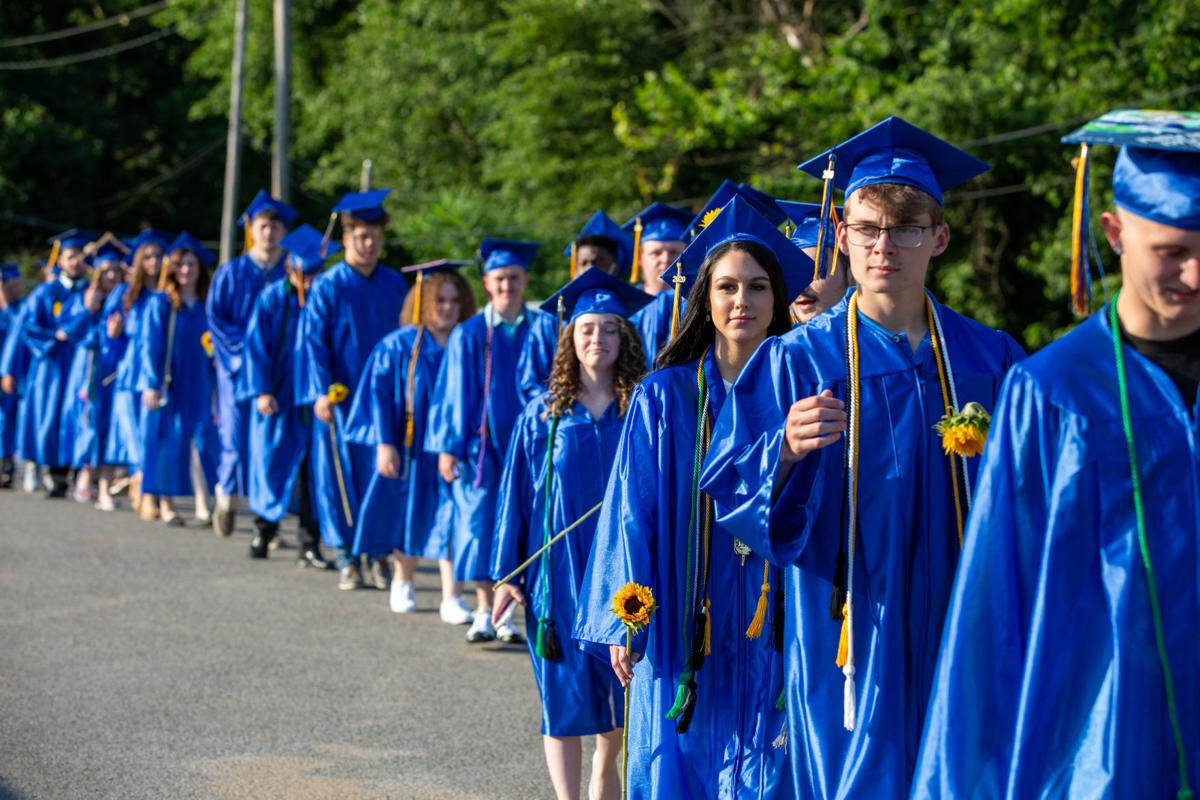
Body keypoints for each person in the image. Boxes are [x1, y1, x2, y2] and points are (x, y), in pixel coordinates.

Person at [698, 117, 1026, 799]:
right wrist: (783, 448)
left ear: (938, 237)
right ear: (841, 236)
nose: (886, 247)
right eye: (869, 229)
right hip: (844, 622)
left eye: (906, 229)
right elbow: (727, 485)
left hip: (959, 610)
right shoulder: (795, 360)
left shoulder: (988, 358)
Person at [912, 111, 1200, 799]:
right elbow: (993, 604)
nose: (1196, 274)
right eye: (1171, 250)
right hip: (1099, 744)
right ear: (1114, 232)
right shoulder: (1052, 394)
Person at [574, 197, 811, 799]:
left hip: (776, 608)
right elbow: (633, 510)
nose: (742, 302)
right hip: (684, 608)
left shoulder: (804, 387)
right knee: (683, 750)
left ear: (777, 298)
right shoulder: (664, 396)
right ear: (705, 298)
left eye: (758, 288)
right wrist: (627, 616)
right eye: (727, 287)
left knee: (771, 752)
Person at [492, 268, 650, 800]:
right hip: (555, 579)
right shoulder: (543, 415)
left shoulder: (642, 410)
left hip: (620, 574)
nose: (597, 340)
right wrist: (508, 577)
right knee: (560, 701)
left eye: (609, 329)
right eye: (586, 329)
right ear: (569, 337)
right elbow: (515, 495)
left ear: (623, 337)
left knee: (618, 693)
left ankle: (606, 771)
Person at [426, 238, 555, 644]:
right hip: (481, 450)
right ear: (486, 282)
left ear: (525, 280)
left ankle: (510, 616)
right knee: (480, 527)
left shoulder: (546, 328)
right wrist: (447, 446)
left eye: (514, 278)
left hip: (532, 449)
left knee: (527, 526)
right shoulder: (468, 334)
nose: (507, 286)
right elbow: (450, 395)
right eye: (499, 279)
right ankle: (485, 609)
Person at [345, 259, 477, 620]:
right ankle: (403, 581)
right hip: (412, 447)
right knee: (412, 513)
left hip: (454, 447)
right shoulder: (400, 345)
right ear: (423, 302)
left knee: (454, 515)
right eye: (440, 300)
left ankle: (453, 597)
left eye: (454, 300)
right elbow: (379, 395)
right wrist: (384, 442)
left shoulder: (468, 341)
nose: (448, 307)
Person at [300, 189, 407, 591]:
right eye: (362, 236)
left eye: (375, 237)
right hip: (342, 399)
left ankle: (378, 553)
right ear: (346, 239)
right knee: (340, 477)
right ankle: (348, 557)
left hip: (385, 401)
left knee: (381, 477)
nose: (370, 244)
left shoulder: (395, 284)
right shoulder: (328, 286)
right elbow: (314, 341)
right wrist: (321, 390)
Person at [241, 224, 335, 569]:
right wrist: (262, 390)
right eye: (302, 275)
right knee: (271, 463)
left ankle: (310, 543)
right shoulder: (271, 299)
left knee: (313, 471)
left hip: (312, 400)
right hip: (278, 397)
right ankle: (263, 531)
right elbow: (256, 348)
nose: (307, 282)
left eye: (314, 275)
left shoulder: (323, 300)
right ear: (289, 270)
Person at [207, 190, 298, 537]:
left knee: (269, 443)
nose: (269, 232)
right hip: (237, 372)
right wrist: (252, 349)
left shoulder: (289, 274)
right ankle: (226, 495)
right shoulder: (231, 273)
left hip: (278, 372)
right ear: (251, 229)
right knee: (233, 436)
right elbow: (217, 322)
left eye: (276, 226)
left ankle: (267, 517)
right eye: (263, 225)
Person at [138, 232, 219, 527]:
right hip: (169, 381)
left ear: (200, 268)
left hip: (199, 381)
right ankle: (166, 502)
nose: (186, 270)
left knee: (199, 439)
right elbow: (150, 346)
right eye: (180, 264)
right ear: (172, 269)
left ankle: (202, 504)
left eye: (191, 264)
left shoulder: (207, 305)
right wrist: (151, 381)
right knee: (168, 440)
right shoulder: (161, 304)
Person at [18, 230, 95, 497]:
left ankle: (73, 472)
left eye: (80, 257)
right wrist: (54, 335)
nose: (75, 262)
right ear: (60, 260)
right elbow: (27, 327)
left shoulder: (91, 291)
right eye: (70, 256)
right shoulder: (46, 292)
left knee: (76, 415)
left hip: (79, 364)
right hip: (50, 366)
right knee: (50, 417)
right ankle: (52, 472)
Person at [107, 229, 170, 518]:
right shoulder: (125, 295)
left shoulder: (169, 295)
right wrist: (114, 335)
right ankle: (140, 484)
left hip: (156, 375)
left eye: (159, 255)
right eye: (148, 257)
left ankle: (145, 490)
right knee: (132, 433)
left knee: (149, 434)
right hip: (129, 372)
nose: (154, 262)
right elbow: (109, 340)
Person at [61, 240, 127, 509]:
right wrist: (89, 310)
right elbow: (68, 333)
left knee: (113, 427)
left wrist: (115, 337)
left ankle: (104, 488)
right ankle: (85, 479)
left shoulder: (126, 299)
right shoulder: (84, 297)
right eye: (106, 270)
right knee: (90, 423)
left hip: (116, 370)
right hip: (90, 369)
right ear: (98, 272)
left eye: (116, 270)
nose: (111, 275)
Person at [621, 202, 691, 372]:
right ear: (639, 259)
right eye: (656, 253)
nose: (666, 259)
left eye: (674, 252)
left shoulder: (694, 302)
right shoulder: (624, 303)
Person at [775, 200, 853, 323]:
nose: (801, 288)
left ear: (851, 275)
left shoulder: (876, 340)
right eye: (794, 273)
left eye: (815, 270)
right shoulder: (780, 342)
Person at [0, 262, 26, 488]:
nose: (18, 289)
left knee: (8, 419)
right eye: (13, 284)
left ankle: (7, 464)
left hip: (13, 372)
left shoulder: (21, 309)